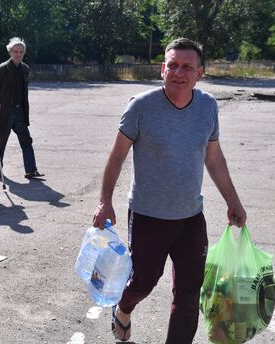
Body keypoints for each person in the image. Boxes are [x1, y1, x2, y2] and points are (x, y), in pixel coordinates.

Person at [92, 38, 247, 343]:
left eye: (187, 66)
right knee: (143, 283)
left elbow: (213, 158)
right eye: (172, 65)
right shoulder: (141, 107)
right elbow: (117, 155)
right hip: (148, 216)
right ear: (162, 69)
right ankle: (123, 307)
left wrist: (234, 201)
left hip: (191, 217)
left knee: (189, 296)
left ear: (199, 73)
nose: (179, 72)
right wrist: (104, 201)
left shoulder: (207, 106)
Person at [0, 37, 44, 179]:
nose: (18, 54)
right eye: (15, 51)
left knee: (26, 140)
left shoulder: (25, 69)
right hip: (4, 112)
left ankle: (31, 170)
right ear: (10, 52)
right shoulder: (1, 69)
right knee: (0, 142)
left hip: (19, 112)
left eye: (21, 52)